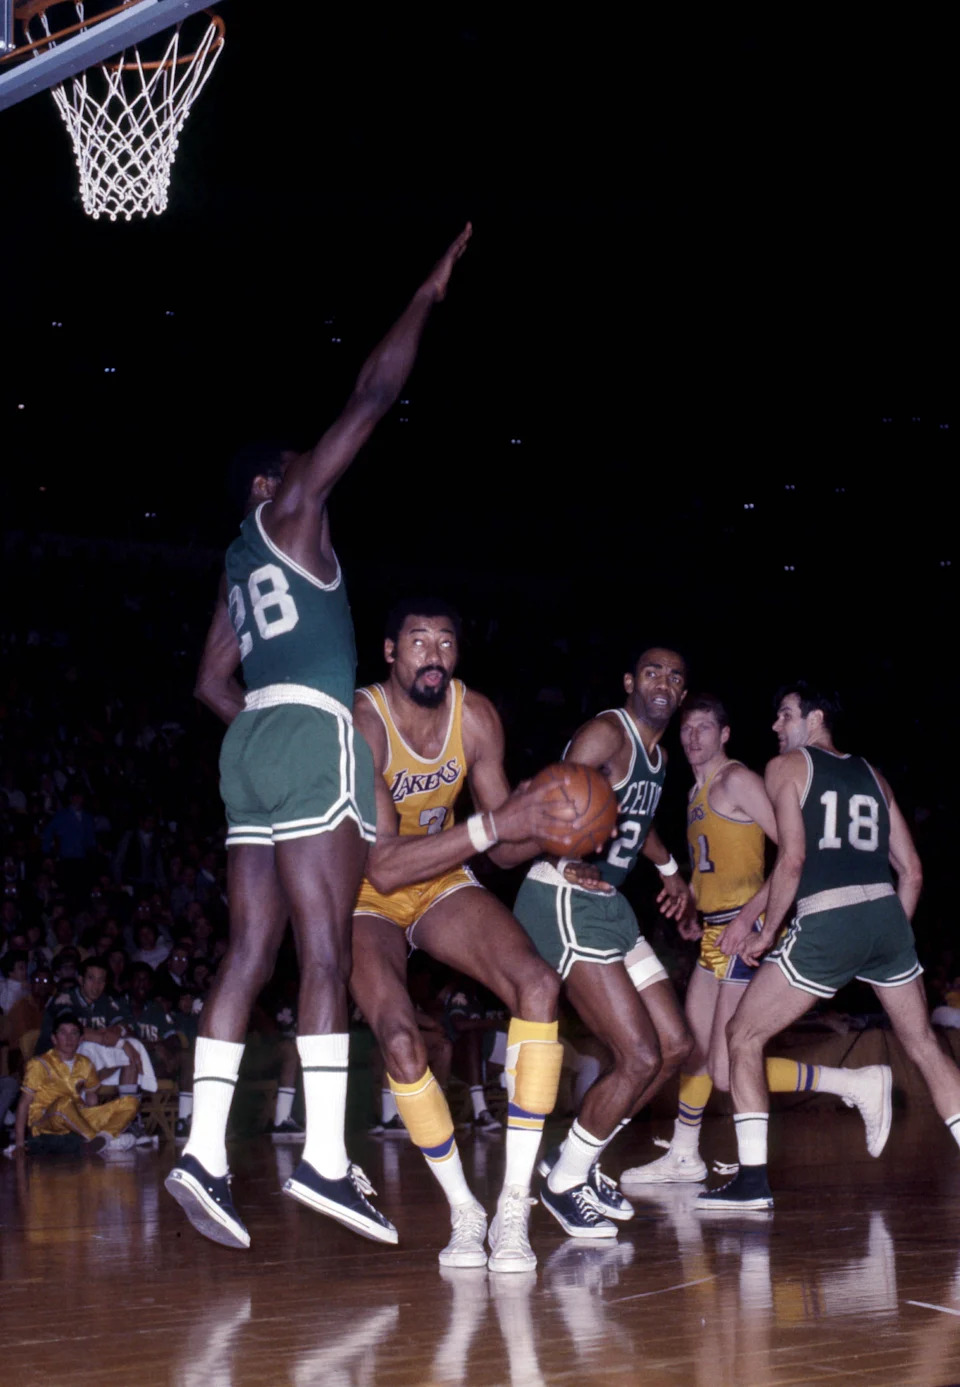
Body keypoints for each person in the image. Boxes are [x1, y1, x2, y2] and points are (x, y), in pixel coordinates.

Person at [165, 227, 474, 1252]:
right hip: (305, 733)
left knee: (249, 950)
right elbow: (373, 396)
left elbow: (210, 680)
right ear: (272, 484)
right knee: (325, 952)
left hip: (245, 749)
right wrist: (426, 295)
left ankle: (203, 1153)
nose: (312, 465)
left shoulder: (230, 565)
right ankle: (327, 1162)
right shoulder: (291, 511)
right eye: (295, 463)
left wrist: (265, 726)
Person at [349, 598, 583, 1272]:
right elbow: (385, 864)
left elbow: (505, 849)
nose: (433, 653)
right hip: (367, 889)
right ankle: (462, 1208)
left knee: (538, 984)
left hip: (442, 879)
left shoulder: (474, 716)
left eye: (445, 641)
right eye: (417, 640)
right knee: (397, 1036)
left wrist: (555, 834)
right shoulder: (364, 720)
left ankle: (512, 1205)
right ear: (390, 651)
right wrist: (498, 826)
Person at [699, 681, 960, 1210]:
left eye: (784, 715)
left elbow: (792, 861)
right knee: (926, 1047)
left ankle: (751, 1182)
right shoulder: (874, 775)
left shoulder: (786, 768)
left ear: (815, 719)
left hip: (829, 917)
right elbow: (911, 872)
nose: (775, 726)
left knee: (741, 1034)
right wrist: (883, 940)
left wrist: (765, 932)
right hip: (887, 919)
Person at [623, 694, 890, 1184]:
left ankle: (853, 1081)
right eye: (688, 728)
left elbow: (796, 850)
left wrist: (753, 919)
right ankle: (684, 1153)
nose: (693, 737)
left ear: (725, 734)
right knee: (694, 1049)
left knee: (727, 1070)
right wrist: (692, 911)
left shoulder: (739, 781)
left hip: (743, 932)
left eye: (705, 727)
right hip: (713, 931)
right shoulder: (695, 790)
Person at [513, 646, 695, 1237]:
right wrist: (559, 857)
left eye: (674, 676)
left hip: (610, 903)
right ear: (628, 681)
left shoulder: (659, 755)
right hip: (564, 897)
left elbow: (634, 824)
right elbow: (553, 796)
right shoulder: (605, 733)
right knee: (638, 1053)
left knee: (673, 1047)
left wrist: (670, 871)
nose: (662, 682)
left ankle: (575, 1159)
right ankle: (564, 1182)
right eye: (651, 672)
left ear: (682, 693)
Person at [10, 1011, 138, 1157]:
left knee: (130, 1102)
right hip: (47, 1120)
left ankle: (106, 1138)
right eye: (63, 1033)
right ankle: (96, 1140)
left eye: (74, 1033)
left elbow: (92, 1098)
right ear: (54, 1038)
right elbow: (23, 1104)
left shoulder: (85, 1063)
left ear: (81, 1039)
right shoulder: (39, 1064)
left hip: (77, 1116)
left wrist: (94, 1108)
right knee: (64, 1103)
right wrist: (19, 1144)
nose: (69, 1038)